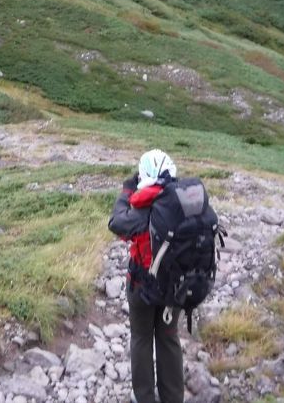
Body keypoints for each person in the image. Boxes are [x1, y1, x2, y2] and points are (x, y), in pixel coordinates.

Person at [108, 149, 184, 403]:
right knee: (169, 338)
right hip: (175, 287)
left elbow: (116, 223)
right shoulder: (184, 204)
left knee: (141, 338)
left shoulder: (141, 207)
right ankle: (173, 398)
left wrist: (127, 191)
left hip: (142, 286)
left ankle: (145, 398)